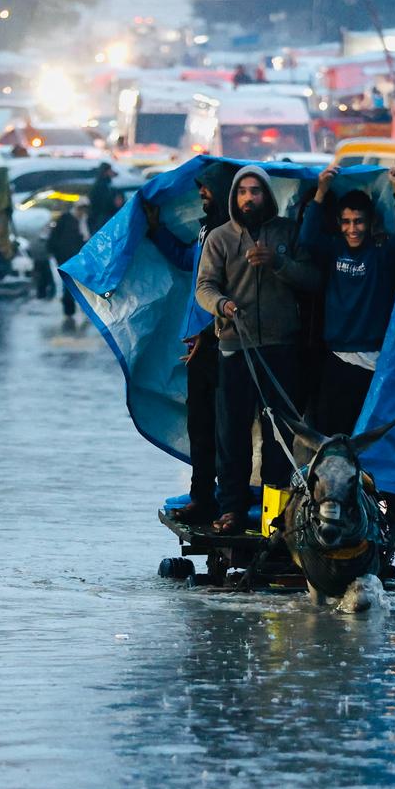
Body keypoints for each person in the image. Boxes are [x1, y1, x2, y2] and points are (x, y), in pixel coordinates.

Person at [196, 165, 319, 536]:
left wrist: (278, 262)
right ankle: (231, 509)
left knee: (278, 436)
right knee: (232, 434)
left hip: (281, 348)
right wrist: (223, 305)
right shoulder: (220, 238)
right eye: (243, 192)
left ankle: (274, 518)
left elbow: (313, 278)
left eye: (256, 191)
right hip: (236, 347)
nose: (249, 198)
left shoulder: (286, 233)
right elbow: (204, 286)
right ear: (234, 198)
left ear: (267, 195)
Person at [300, 163, 395, 525]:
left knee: (372, 440)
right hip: (336, 359)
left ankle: (388, 512)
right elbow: (306, 240)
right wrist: (320, 192)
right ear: (339, 224)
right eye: (346, 222)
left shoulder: (381, 255)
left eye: (359, 222)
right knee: (332, 441)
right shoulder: (333, 250)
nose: (352, 229)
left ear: (370, 223)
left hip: (372, 364)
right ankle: (326, 506)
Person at [145, 161, 240, 525]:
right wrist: (157, 232)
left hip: (221, 343)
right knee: (200, 426)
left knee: (221, 427)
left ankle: (223, 500)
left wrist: (205, 335)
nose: (201, 192)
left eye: (207, 187)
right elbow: (190, 260)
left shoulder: (230, 234)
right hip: (200, 345)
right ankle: (205, 497)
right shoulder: (207, 230)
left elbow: (229, 288)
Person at [47, 198, 89, 325]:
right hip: (66, 257)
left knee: (81, 284)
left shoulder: (84, 221)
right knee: (69, 285)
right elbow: (54, 238)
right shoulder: (66, 219)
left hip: (79, 258)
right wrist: (56, 253)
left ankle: (82, 309)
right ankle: (69, 311)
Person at [87, 162, 119, 233]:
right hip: (101, 218)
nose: (112, 172)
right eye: (110, 170)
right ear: (105, 172)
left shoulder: (106, 184)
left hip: (101, 217)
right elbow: (104, 203)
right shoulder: (101, 186)